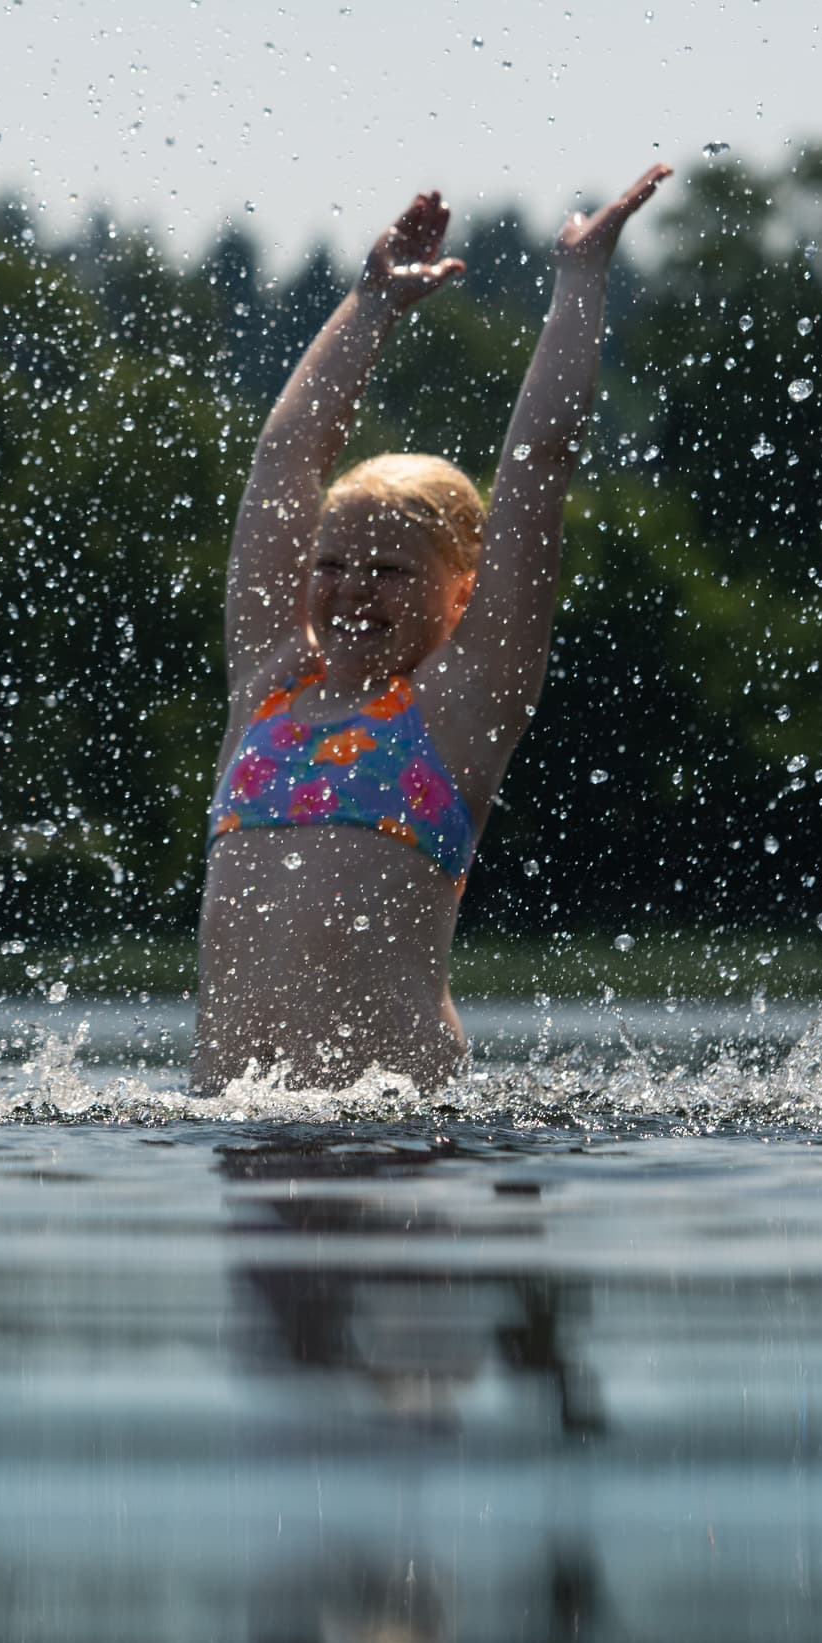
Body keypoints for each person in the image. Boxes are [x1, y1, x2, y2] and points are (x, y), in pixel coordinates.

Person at [195, 168, 670, 1092]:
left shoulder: (458, 708)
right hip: (236, 1129)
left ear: (460, 593)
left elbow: (539, 466)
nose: (353, 589)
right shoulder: (269, 683)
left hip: (398, 1132)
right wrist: (369, 307)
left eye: (391, 571)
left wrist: (581, 279)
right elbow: (284, 460)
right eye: (333, 563)